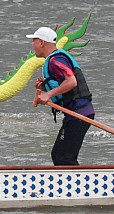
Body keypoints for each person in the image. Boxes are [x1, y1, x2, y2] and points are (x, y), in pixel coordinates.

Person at [30, 25, 93, 166]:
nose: (32, 45)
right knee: (60, 155)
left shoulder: (55, 60)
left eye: (34, 41)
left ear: (42, 42)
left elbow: (71, 81)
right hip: (77, 113)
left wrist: (48, 95)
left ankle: (75, 185)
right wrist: (45, 88)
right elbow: (65, 86)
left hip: (79, 114)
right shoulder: (55, 59)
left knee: (63, 157)